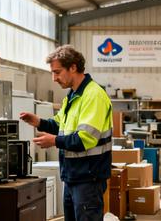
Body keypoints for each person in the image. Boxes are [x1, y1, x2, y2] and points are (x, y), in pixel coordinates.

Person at [19, 45, 112, 221]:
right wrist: (39, 122)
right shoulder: (72, 96)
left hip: (88, 178)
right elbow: (60, 124)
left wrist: (54, 141)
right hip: (73, 176)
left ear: (73, 67)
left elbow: (85, 138)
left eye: (57, 72)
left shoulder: (93, 95)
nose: (54, 78)